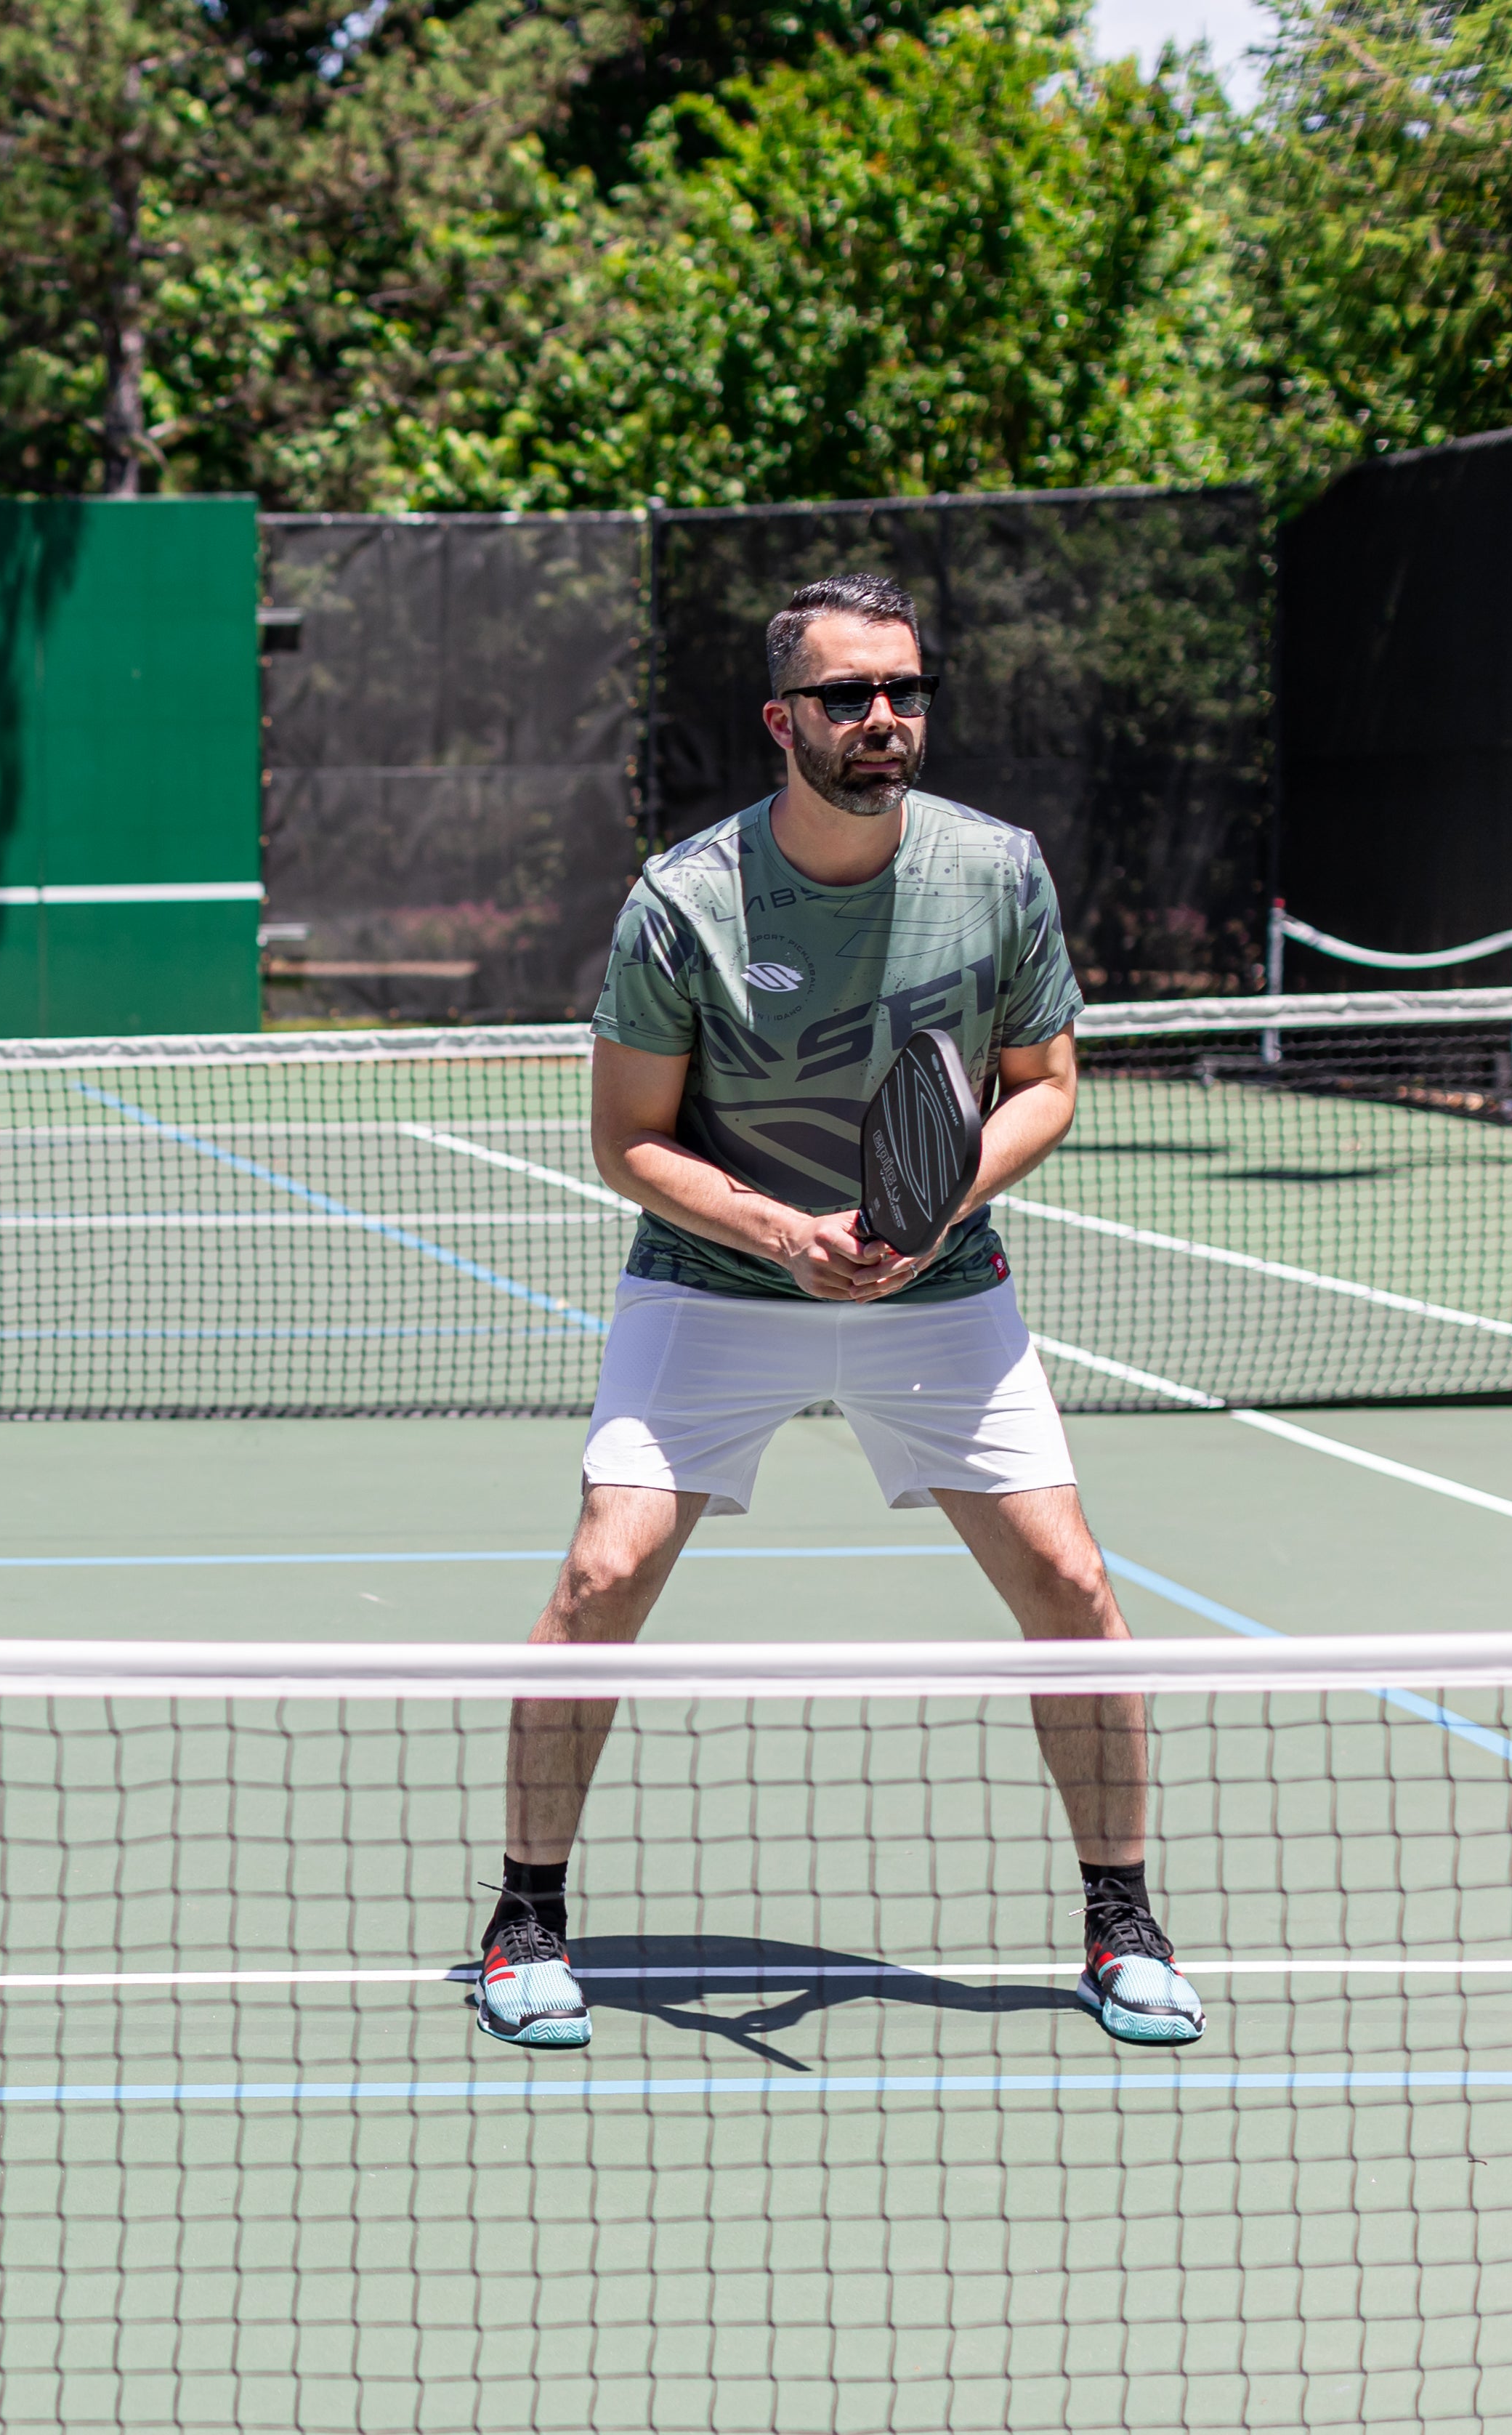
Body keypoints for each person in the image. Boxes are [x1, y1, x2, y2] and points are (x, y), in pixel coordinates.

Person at [466, 572, 1204, 2054]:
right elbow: (627, 1139)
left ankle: (1118, 1914)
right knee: (600, 1577)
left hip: (939, 1290)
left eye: (903, 691)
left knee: (1066, 1578)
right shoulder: (682, 901)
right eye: (846, 696)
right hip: (718, 1282)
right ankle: (524, 1914)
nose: (882, 717)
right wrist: (780, 1232)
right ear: (779, 719)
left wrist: (926, 1209)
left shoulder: (993, 872)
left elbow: (1043, 1083)